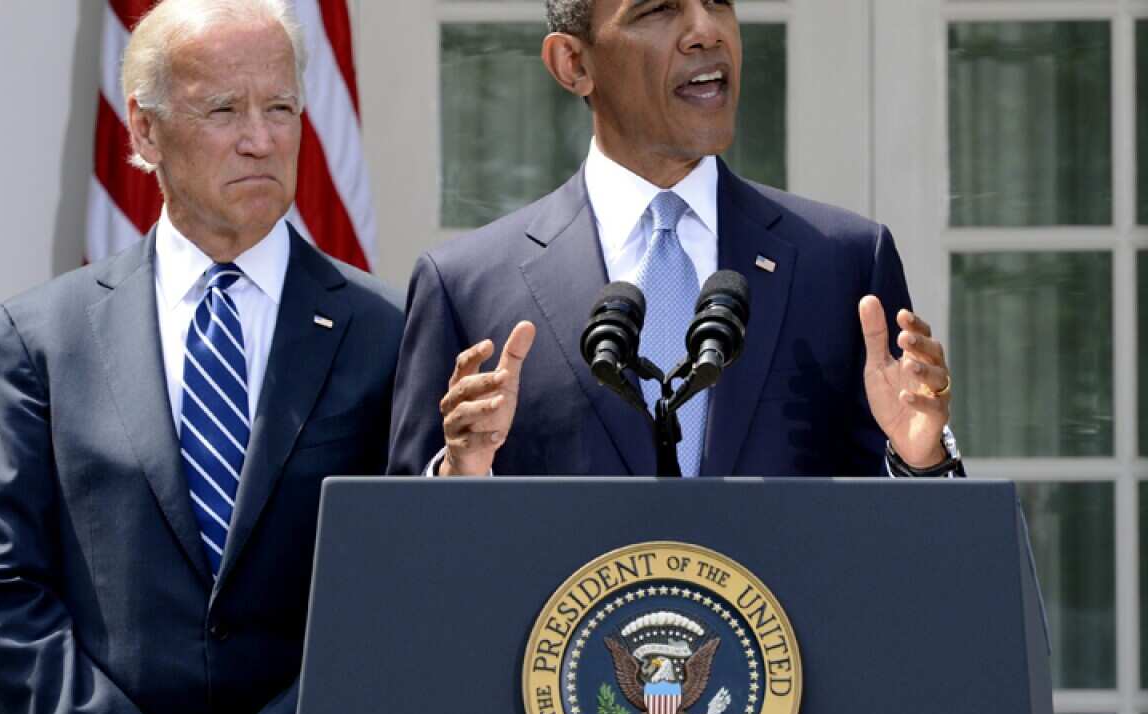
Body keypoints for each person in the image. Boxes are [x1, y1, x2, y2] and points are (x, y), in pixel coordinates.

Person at [0, 1, 402, 714]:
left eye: (281, 108)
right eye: (224, 110)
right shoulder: (42, 338)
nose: (261, 140)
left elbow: (397, 586)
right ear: (144, 129)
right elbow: (0, 593)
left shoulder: (386, 331)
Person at [388, 0, 963, 479]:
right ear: (573, 63)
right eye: (659, 10)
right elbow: (403, 552)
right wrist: (460, 474)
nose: (706, 31)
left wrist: (920, 460)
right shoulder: (465, 287)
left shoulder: (843, 264)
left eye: (718, 3)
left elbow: (914, 549)